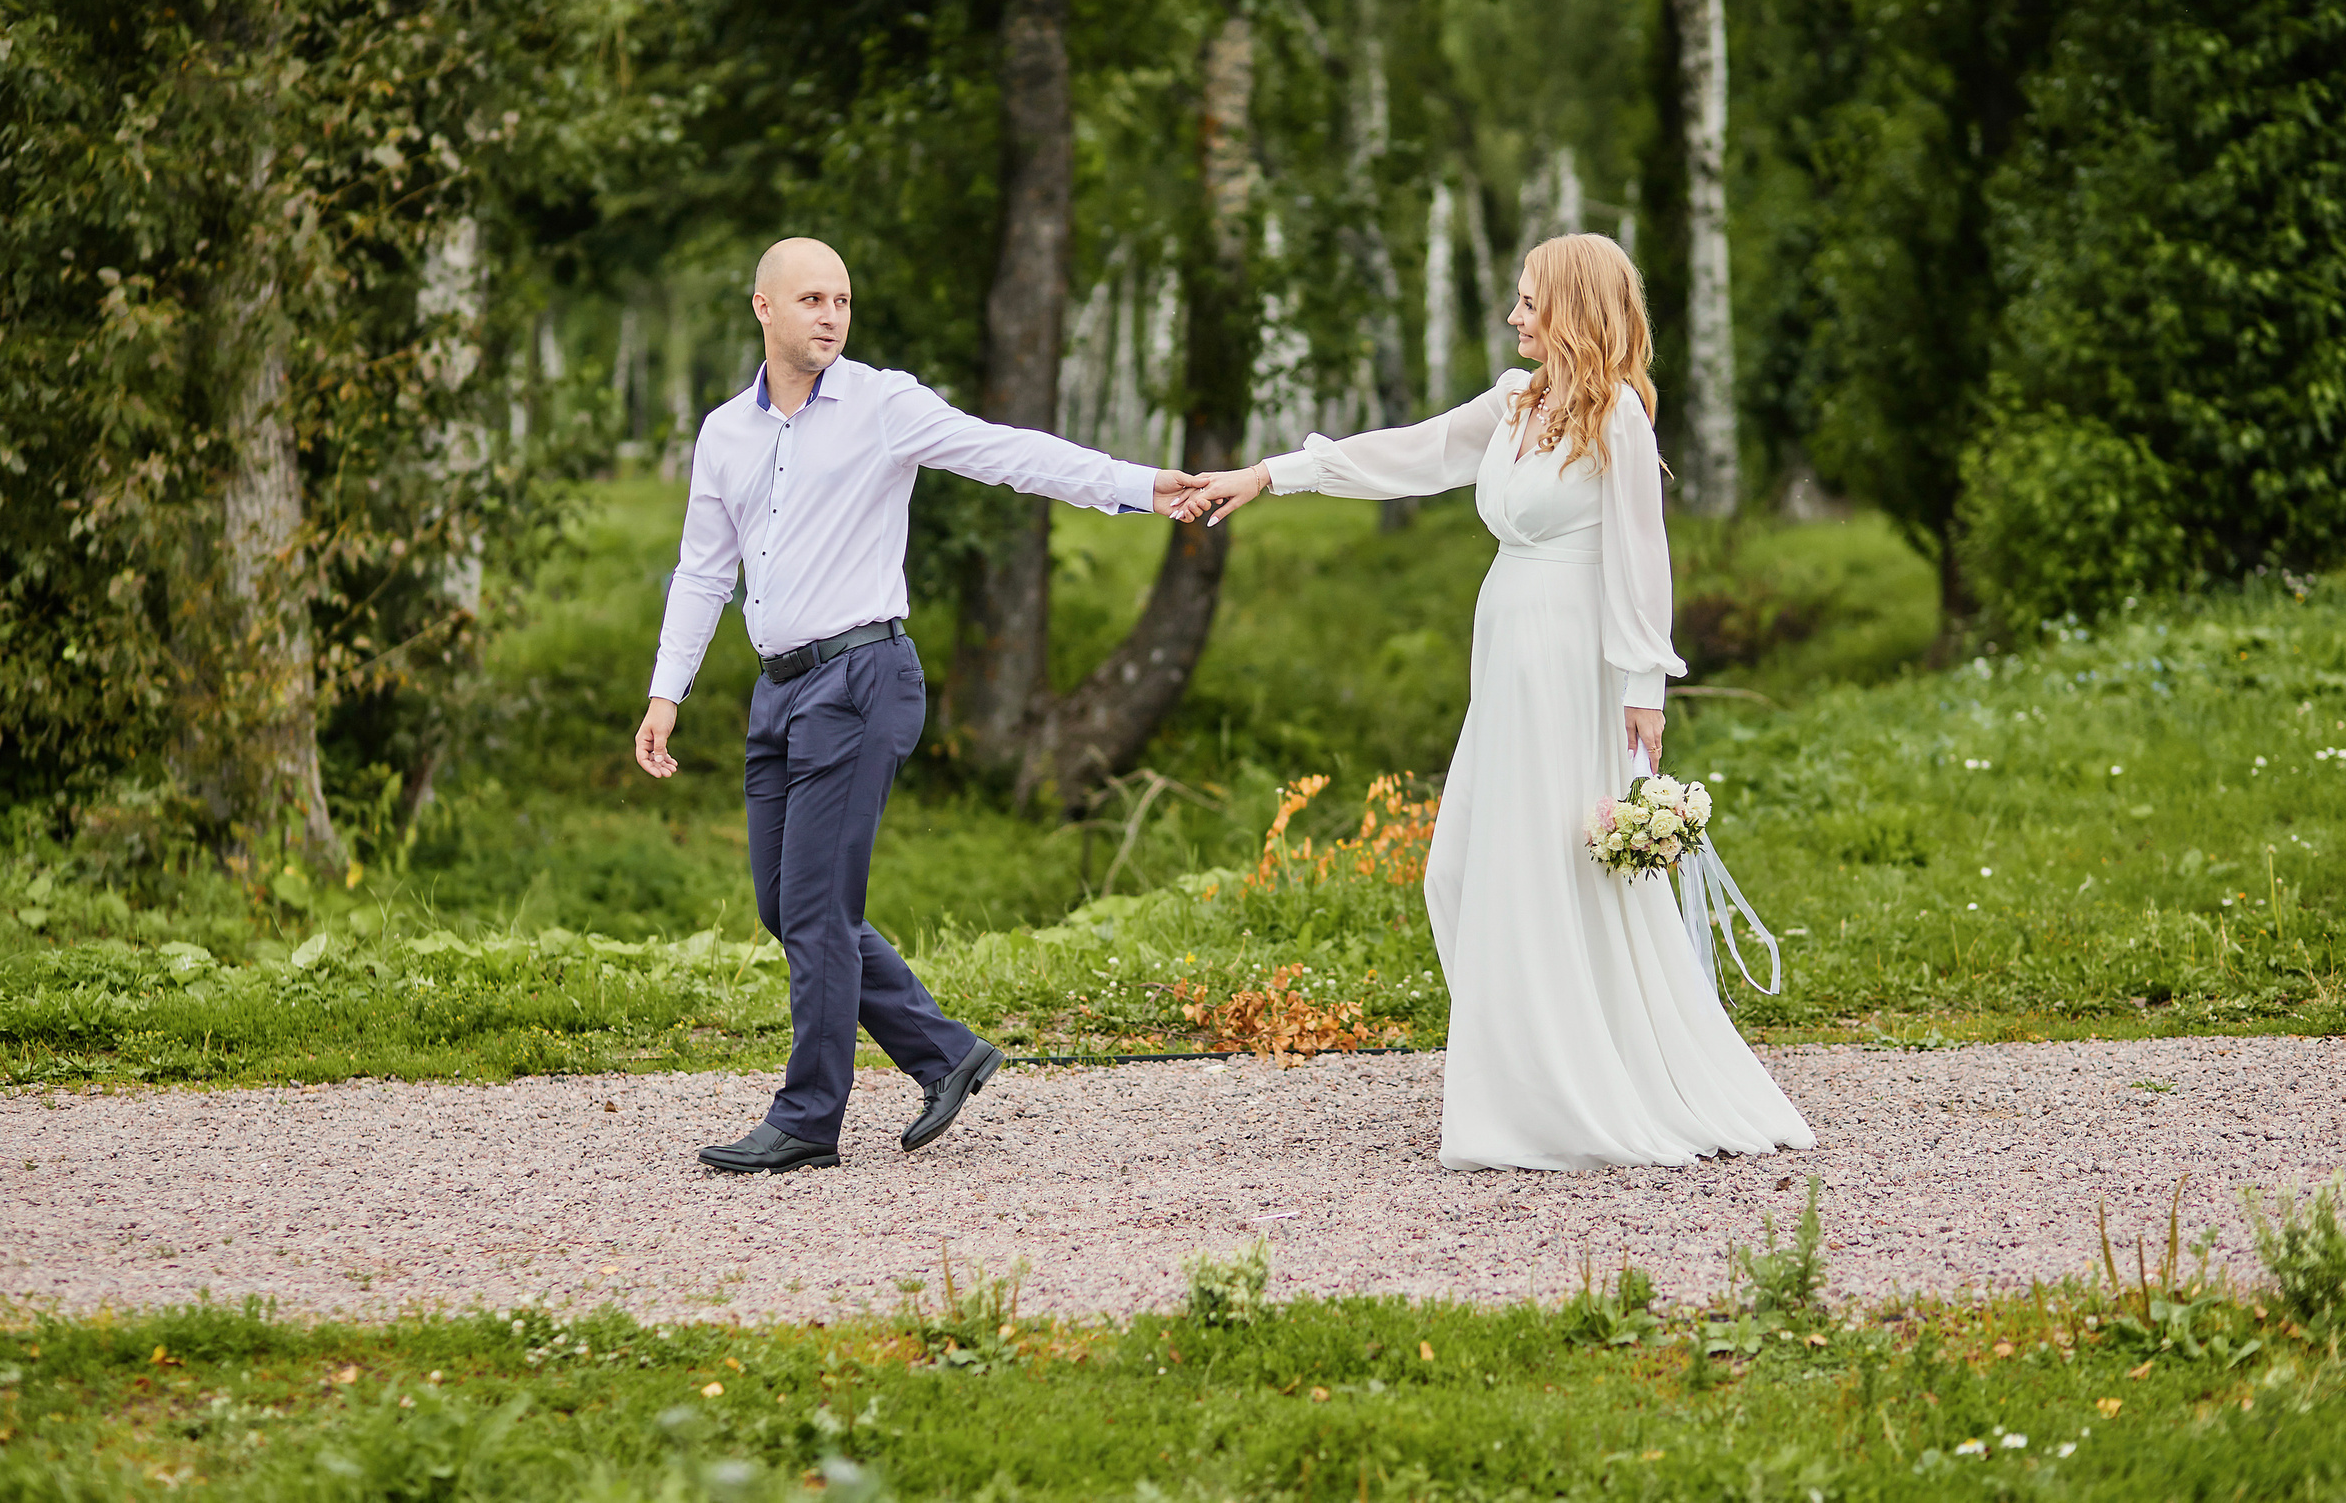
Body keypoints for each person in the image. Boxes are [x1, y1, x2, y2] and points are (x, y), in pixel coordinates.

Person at [1175, 234, 1814, 1171]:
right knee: (1460, 871)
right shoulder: (1517, 402)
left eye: (1529, 301)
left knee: (1546, 873)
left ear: (1572, 309)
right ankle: (1529, 1067)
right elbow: (1408, 454)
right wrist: (1270, 475)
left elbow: (1643, 555)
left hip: (1570, 664)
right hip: (1506, 655)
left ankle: (1558, 1092)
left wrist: (1644, 688)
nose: (1515, 317)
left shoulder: (1620, 422)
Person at [636, 237, 1200, 1174]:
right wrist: (667, 693)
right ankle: (945, 1052)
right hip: (777, 688)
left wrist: (1142, 487)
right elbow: (703, 570)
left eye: (844, 299)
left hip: (863, 679)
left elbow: (1009, 455)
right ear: (763, 309)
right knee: (787, 905)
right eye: (811, 297)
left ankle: (809, 1116)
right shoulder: (724, 433)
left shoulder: (884, 404)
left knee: (818, 904)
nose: (831, 314)